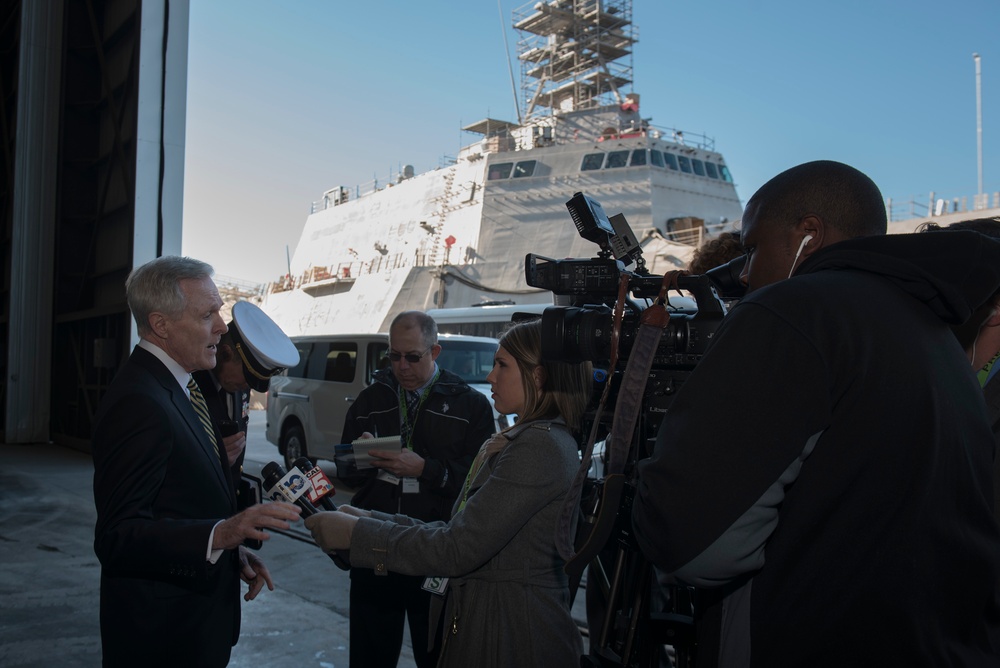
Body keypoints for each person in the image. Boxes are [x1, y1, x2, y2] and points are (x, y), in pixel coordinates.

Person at [631, 160, 1000, 666]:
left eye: (753, 247)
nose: (743, 271)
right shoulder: (935, 334)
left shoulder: (795, 309)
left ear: (808, 234)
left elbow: (692, 543)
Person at [306, 319, 593, 666]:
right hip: (461, 592)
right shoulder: (532, 439)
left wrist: (360, 532)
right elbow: (462, 530)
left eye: (501, 365)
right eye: (393, 356)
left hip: (506, 628)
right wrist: (368, 518)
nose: (490, 377)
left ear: (538, 376)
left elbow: (458, 545)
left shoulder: (536, 445)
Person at [92, 256, 301, 667]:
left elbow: (177, 501)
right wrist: (221, 534)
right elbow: (118, 537)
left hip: (194, 623)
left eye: (219, 311)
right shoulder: (139, 401)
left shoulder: (178, 387)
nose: (222, 327)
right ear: (162, 324)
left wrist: (228, 553)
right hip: (163, 640)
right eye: (208, 314)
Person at [336, 310, 495, 668]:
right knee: (369, 655)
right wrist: (361, 455)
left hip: (434, 549)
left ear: (434, 352)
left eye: (412, 357)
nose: (401, 366)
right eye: (394, 356)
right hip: (374, 545)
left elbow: (479, 483)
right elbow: (345, 471)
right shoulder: (370, 400)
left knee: (437, 655)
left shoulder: (470, 405)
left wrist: (425, 470)